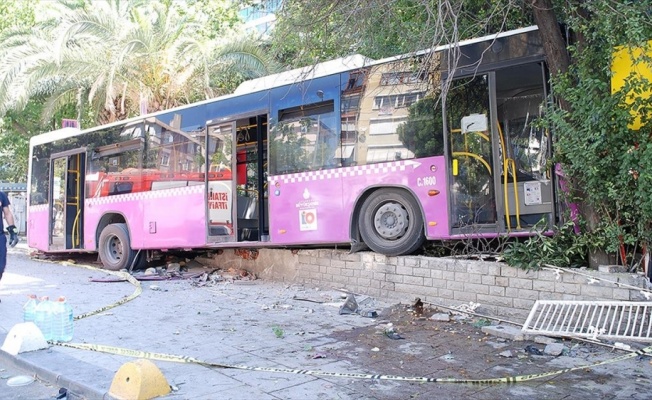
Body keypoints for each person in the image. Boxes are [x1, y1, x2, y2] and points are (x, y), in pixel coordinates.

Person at [1, 191, 18, 299]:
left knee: (1, 267)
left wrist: (13, 231)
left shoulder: (1, 195)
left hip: (0, 236)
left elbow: (7, 213)